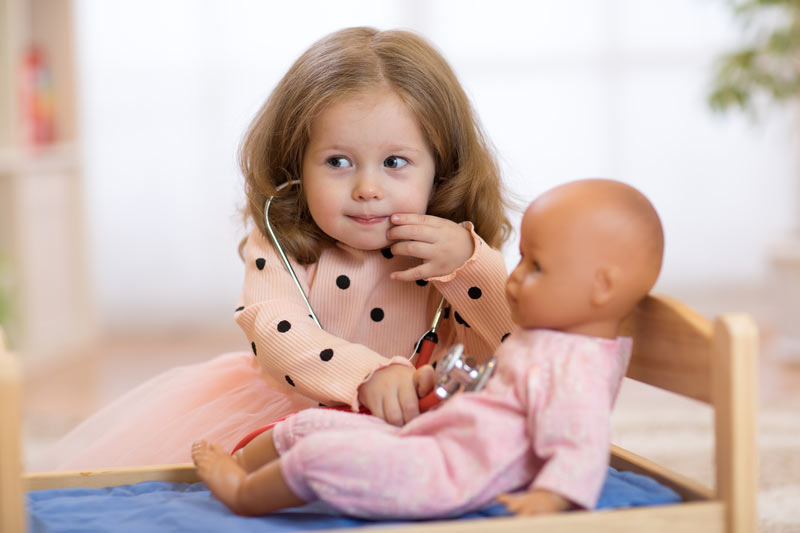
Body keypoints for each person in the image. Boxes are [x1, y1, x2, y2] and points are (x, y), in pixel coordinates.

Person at [40, 27, 514, 471]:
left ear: (442, 168)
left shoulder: (456, 250)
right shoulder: (280, 243)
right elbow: (275, 330)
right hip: (298, 414)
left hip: (428, 423)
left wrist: (473, 269)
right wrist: (367, 377)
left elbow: (509, 349)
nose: (367, 187)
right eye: (338, 161)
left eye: (395, 162)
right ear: (296, 165)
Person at [190, 178, 665, 519]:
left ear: (601, 288)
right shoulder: (549, 338)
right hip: (430, 436)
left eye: (534, 267)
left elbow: (581, 440)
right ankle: (242, 470)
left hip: (451, 469)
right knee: (309, 425)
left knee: (322, 458)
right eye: (519, 259)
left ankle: (245, 496)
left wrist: (553, 496)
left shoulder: (576, 364)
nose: (515, 277)